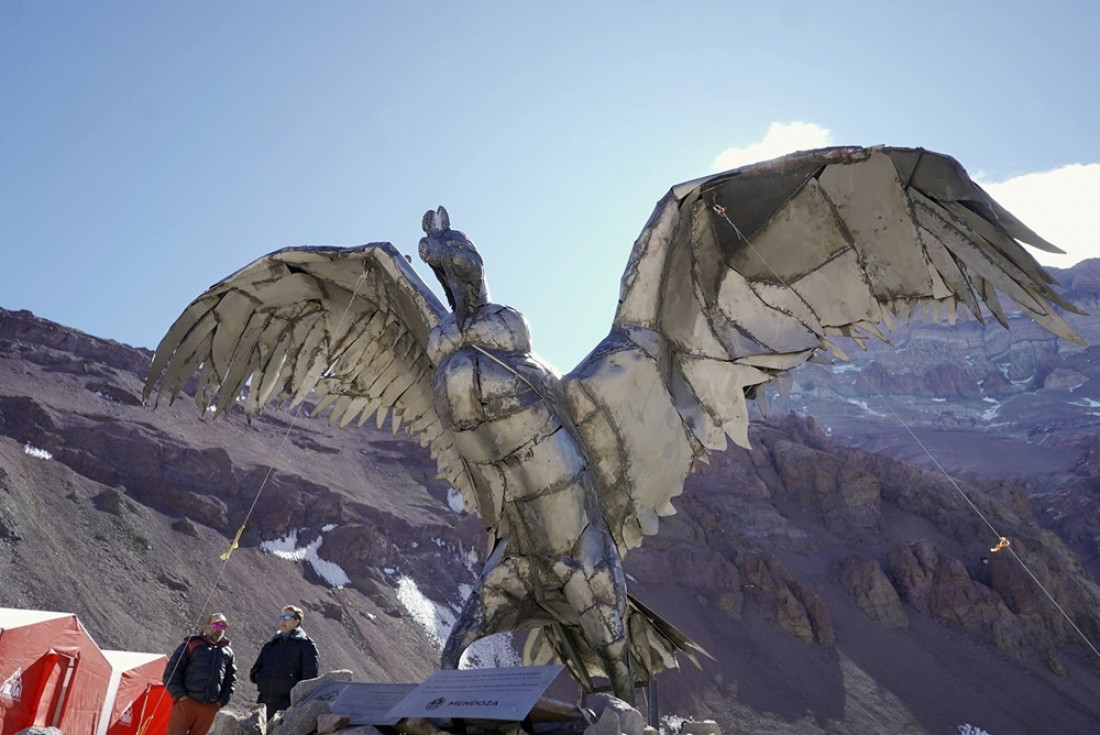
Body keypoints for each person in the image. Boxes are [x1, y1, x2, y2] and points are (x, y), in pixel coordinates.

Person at [163, 612, 237, 735]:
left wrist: (220, 702)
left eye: (223, 627)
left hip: (209, 709)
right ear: (207, 625)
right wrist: (181, 696)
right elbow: (171, 672)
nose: (220, 630)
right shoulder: (192, 645)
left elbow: (231, 680)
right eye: (217, 625)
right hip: (186, 704)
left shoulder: (227, 653)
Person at [250, 604, 320, 718]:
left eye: (287, 618)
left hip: (287, 704)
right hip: (263, 701)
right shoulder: (271, 645)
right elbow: (256, 669)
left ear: (297, 621)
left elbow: (310, 676)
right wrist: (259, 677)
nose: (283, 620)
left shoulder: (306, 645)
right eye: (281, 617)